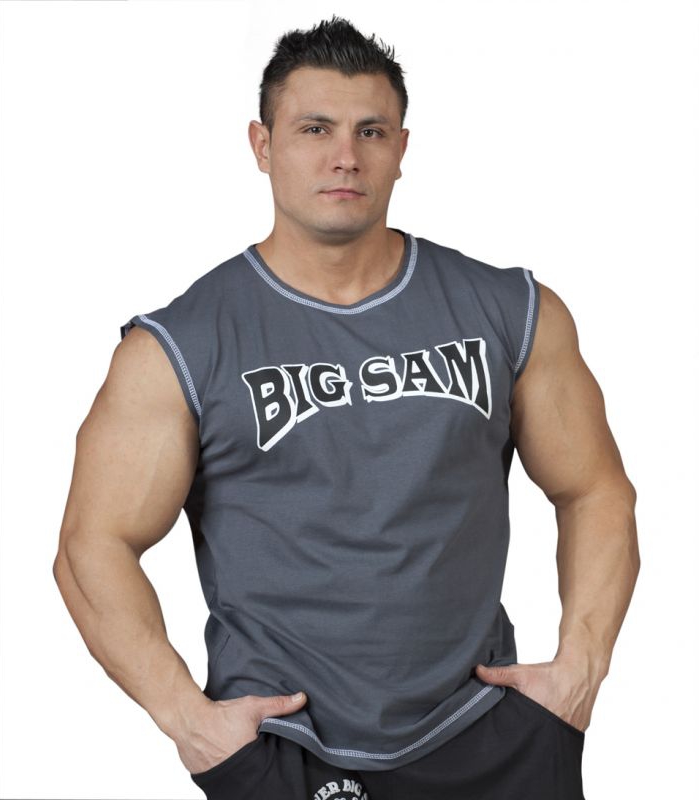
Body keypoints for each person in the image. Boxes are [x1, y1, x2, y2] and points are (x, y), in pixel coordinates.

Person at [53, 14, 640, 800]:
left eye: (371, 131)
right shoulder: (180, 347)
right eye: (315, 129)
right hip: (290, 749)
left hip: (490, 733)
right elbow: (91, 547)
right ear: (263, 145)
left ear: (401, 148)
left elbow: (595, 490)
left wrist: (579, 673)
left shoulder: (510, 310)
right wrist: (189, 719)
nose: (345, 156)